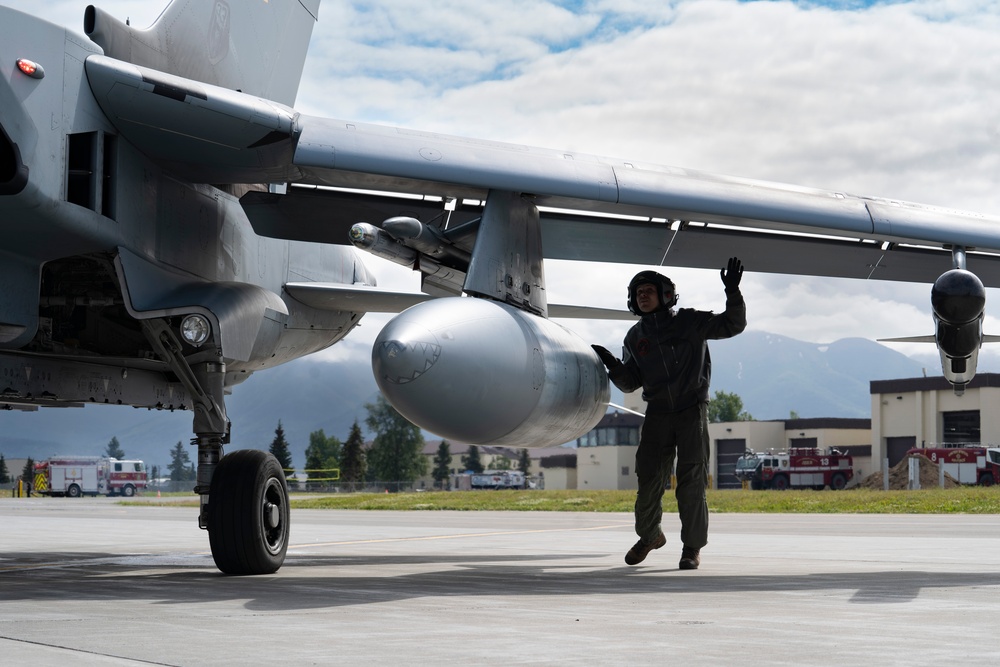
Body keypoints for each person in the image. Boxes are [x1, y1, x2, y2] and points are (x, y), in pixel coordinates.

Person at [593, 257, 746, 569]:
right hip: (658, 414)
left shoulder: (691, 322)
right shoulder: (635, 338)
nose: (643, 296)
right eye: (638, 293)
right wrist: (613, 366)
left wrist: (733, 292)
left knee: (692, 481)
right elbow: (632, 383)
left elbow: (733, 324)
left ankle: (691, 549)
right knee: (648, 479)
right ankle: (650, 536)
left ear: (666, 295)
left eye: (649, 290)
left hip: (692, 411)